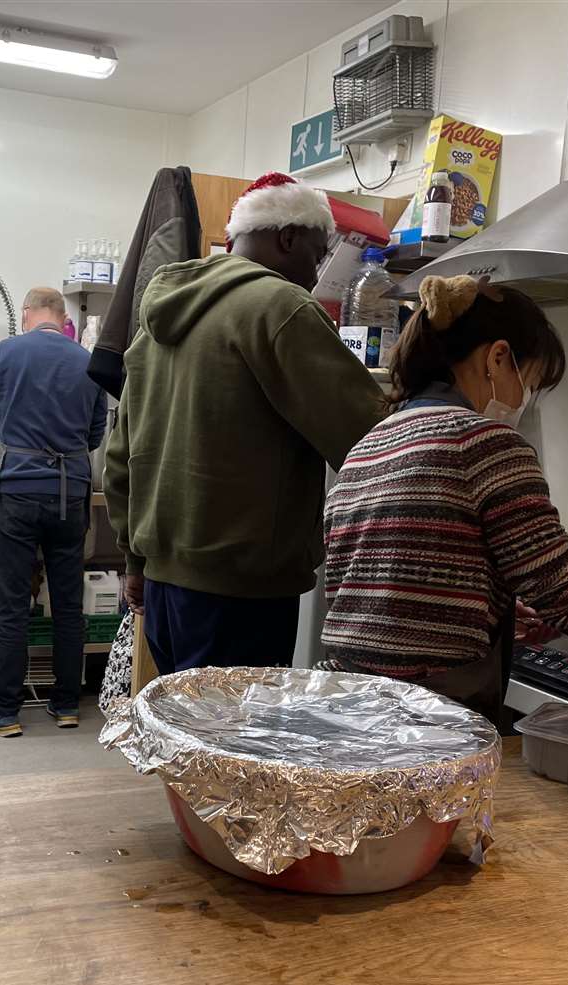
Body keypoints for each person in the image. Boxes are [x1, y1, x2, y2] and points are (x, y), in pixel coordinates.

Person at [106, 172, 387, 675]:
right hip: (241, 592)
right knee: (232, 745)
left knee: (184, 742)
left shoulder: (157, 321)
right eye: (319, 256)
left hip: (164, 585)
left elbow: (121, 456)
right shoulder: (281, 308)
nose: (317, 273)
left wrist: (134, 562)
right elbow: (370, 440)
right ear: (288, 238)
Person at [322, 274, 568, 723]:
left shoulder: (374, 441)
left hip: (350, 701)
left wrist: (486, 604)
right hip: (428, 715)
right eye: (531, 382)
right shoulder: (486, 442)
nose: (524, 399)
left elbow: (393, 588)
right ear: (499, 358)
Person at [0, 286, 107, 737]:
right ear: (61, 317)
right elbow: (95, 434)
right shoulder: (88, 360)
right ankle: (66, 704)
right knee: (68, 605)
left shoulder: (8, 351)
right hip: (70, 495)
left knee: (12, 607)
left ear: (28, 313)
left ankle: (5, 711)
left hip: (18, 492)